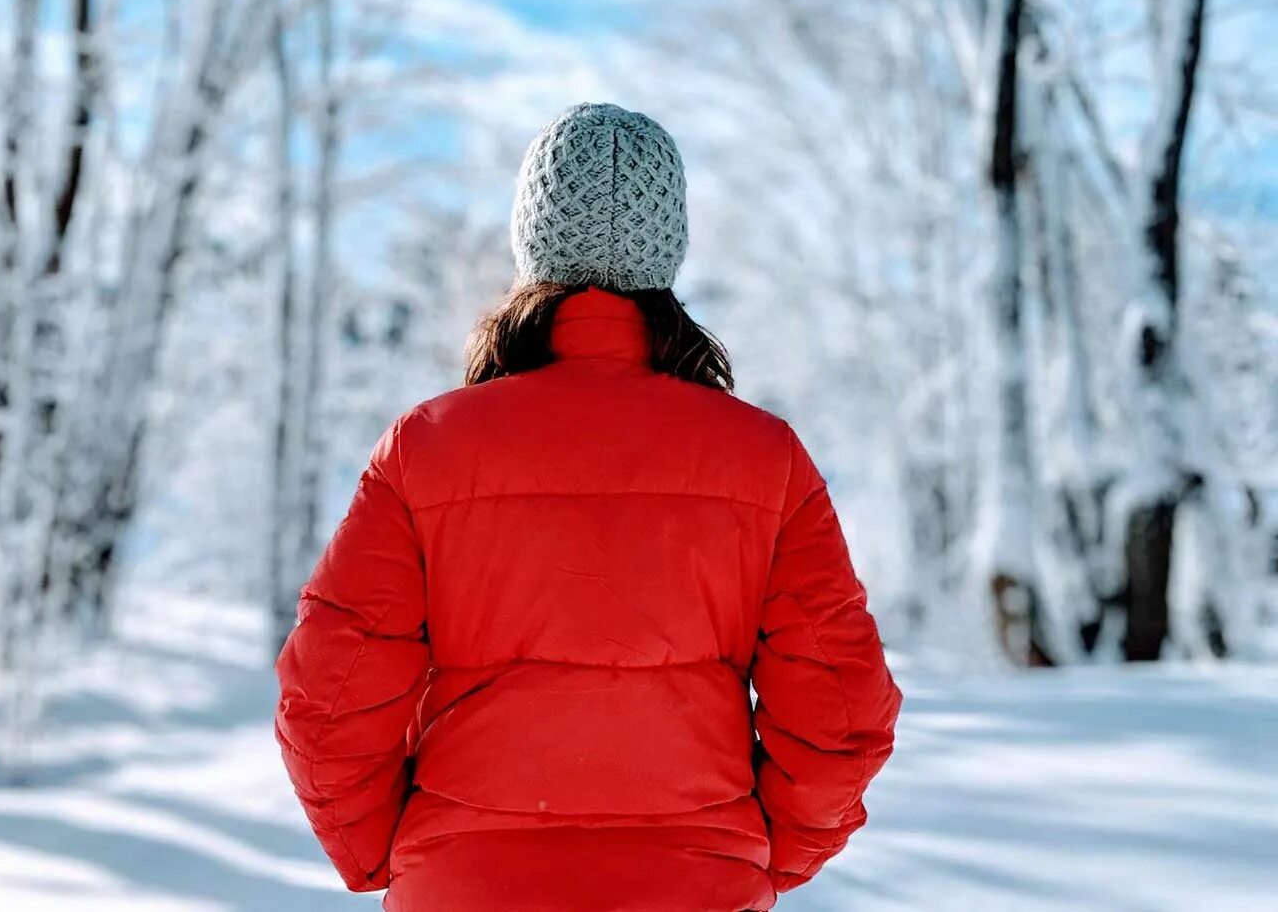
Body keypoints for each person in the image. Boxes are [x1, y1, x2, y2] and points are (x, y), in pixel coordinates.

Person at [274, 102, 902, 911]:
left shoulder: (425, 449)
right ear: (666, 248)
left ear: (531, 244)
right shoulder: (764, 459)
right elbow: (841, 709)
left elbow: (329, 693)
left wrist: (382, 851)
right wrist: (760, 856)